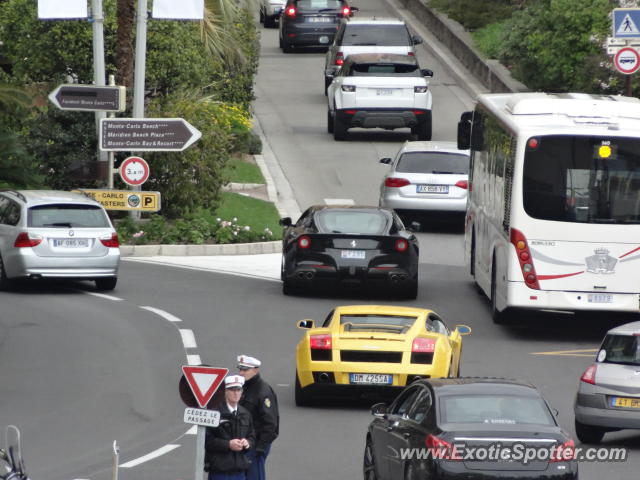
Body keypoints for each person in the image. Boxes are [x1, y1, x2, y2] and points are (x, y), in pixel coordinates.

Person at [236, 355, 279, 480]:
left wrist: (261, 447)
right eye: (240, 369)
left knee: (254, 476)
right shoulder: (242, 387)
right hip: (243, 441)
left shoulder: (263, 391)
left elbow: (270, 423)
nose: (241, 373)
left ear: (256, 370)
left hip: (256, 444)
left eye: (245, 370)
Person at [205, 375, 255, 480]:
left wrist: (247, 443)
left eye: (238, 390)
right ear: (225, 391)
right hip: (220, 470)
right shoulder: (215, 413)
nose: (236, 393)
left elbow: (252, 436)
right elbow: (207, 440)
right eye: (232, 390)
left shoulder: (245, 414)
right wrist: (228, 444)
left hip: (239, 471)